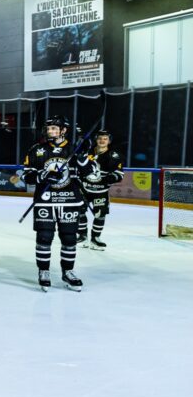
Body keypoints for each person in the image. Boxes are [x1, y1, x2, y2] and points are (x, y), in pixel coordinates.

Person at [22, 116, 95, 291]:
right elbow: (26, 176)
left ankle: (68, 271)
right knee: (44, 237)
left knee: (69, 239)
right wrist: (43, 176)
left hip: (70, 200)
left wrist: (83, 156)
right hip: (45, 202)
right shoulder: (36, 149)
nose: (50, 131)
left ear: (63, 130)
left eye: (54, 128)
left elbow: (90, 173)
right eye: (49, 128)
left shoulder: (74, 149)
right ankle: (44, 271)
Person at [78, 129, 125, 250]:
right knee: (79, 211)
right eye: (100, 138)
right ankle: (82, 236)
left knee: (100, 215)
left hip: (101, 192)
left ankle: (95, 238)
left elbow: (119, 174)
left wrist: (110, 178)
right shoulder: (88, 151)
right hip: (84, 189)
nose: (102, 140)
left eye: (105, 138)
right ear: (96, 140)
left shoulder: (114, 155)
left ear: (109, 141)